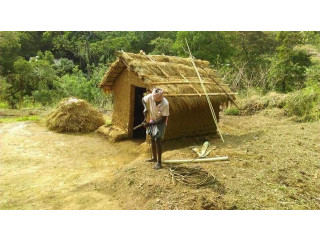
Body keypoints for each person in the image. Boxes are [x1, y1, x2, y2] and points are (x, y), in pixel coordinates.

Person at [142, 88, 169, 170]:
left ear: (161, 99)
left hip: (160, 122)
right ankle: (154, 158)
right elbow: (143, 100)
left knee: (158, 139)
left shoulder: (165, 104)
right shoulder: (151, 97)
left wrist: (150, 124)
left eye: (158, 101)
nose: (156, 102)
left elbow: (163, 119)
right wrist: (145, 108)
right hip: (153, 119)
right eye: (155, 101)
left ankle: (159, 163)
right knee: (152, 138)